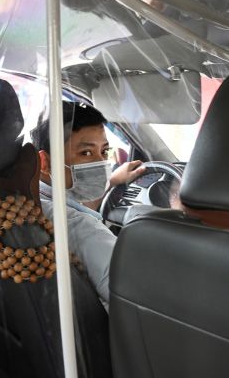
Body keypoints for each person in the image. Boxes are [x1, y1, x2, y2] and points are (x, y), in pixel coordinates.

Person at [31, 101, 145, 310]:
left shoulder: (31, 202)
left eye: (104, 152)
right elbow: (145, 299)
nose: (101, 163)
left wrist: (111, 182)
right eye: (86, 153)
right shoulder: (86, 232)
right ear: (45, 162)